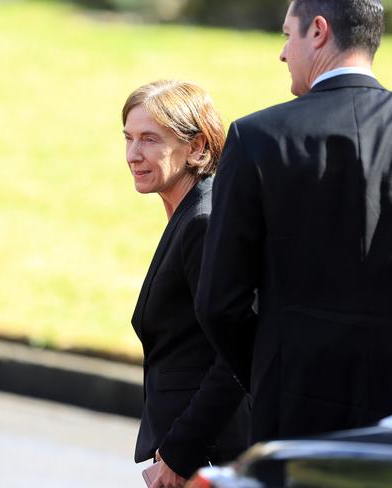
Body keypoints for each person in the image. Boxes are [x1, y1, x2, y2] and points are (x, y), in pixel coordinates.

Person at [196, 0, 392, 445]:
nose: (282, 53)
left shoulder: (257, 138)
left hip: (295, 410)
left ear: (317, 31)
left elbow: (219, 302)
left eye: (286, 35)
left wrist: (269, 373)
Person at [123, 80, 250, 487]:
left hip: (207, 457)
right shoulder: (191, 211)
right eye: (127, 138)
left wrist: (180, 454)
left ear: (196, 148)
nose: (132, 155)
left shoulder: (203, 221)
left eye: (149, 140)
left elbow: (233, 355)